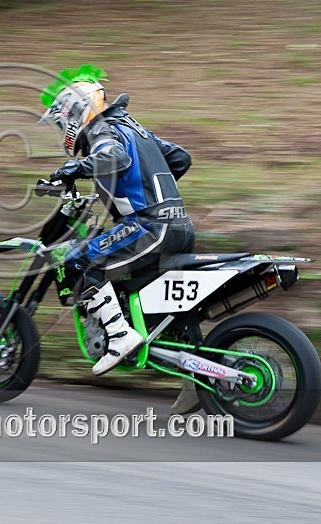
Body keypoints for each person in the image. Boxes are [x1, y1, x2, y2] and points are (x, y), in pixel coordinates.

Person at [40, 65, 197, 392]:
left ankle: (120, 336)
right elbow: (181, 158)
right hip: (179, 226)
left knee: (77, 260)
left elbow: (114, 159)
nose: (61, 130)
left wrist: (75, 167)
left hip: (150, 227)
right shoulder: (134, 128)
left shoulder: (102, 131)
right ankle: (190, 370)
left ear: (75, 111)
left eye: (60, 121)